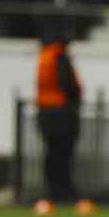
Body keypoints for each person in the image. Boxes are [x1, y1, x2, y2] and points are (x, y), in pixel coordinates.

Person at [36, 26, 82, 202]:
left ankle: (52, 191)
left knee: (51, 153)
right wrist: (74, 102)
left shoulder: (44, 56)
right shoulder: (58, 56)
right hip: (61, 112)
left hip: (45, 110)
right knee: (62, 155)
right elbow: (67, 84)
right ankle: (62, 192)